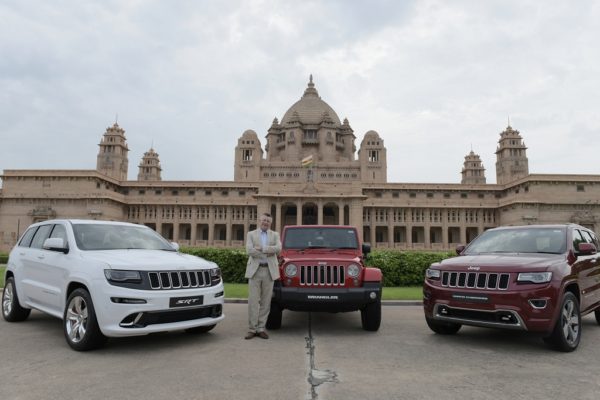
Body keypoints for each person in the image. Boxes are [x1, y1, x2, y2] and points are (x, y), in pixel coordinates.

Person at [244, 213, 281, 339]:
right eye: (264, 220)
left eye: (268, 221)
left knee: (266, 302)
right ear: (259, 221)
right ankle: (252, 328)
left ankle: (261, 328)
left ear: (271, 223)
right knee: (253, 301)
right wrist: (267, 251)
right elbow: (249, 250)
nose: (266, 222)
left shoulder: (275, 234)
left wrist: (262, 248)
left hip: (269, 271)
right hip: (255, 270)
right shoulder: (251, 234)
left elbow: (278, 248)